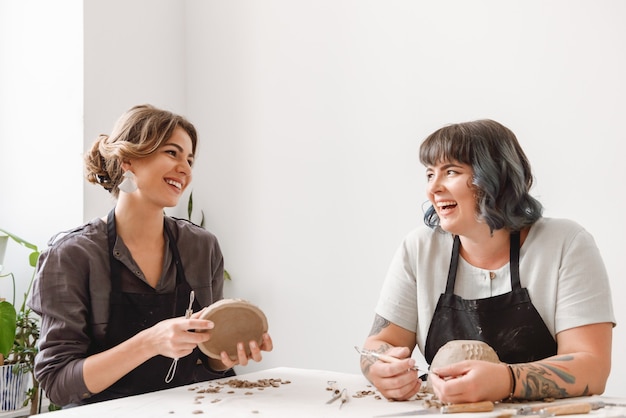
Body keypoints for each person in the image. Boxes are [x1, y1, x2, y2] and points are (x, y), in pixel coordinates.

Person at [28, 104, 273, 407]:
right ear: (127, 160)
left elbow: (208, 366)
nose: (185, 169)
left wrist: (226, 354)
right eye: (172, 153)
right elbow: (58, 383)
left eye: (190, 159)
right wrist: (150, 342)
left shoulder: (201, 247)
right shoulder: (71, 255)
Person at [360, 119, 615, 404]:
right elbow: (380, 344)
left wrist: (506, 380)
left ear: (495, 177)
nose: (433, 189)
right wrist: (381, 368)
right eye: (430, 174)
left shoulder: (566, 243)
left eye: (451, 171)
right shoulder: (419, 248)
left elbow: (592, 366)